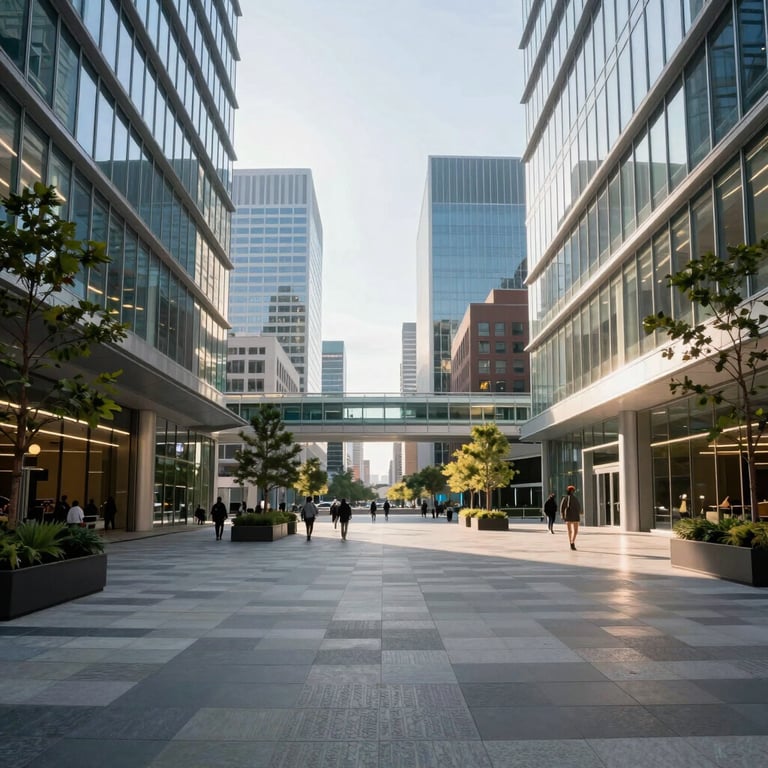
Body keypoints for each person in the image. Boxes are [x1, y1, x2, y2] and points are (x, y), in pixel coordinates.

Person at [560, 485, 582, 550]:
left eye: (573, 490)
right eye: (571, 490)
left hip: (573, 516)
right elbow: (562, 507)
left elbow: (578, 507)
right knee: (571, 531)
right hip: (570, 516)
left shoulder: (574, 498)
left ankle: (572, 542)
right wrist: (562, 515)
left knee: (574, 531)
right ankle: (571, 542)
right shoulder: (566, 498)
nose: (572, 492)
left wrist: (579, 512)